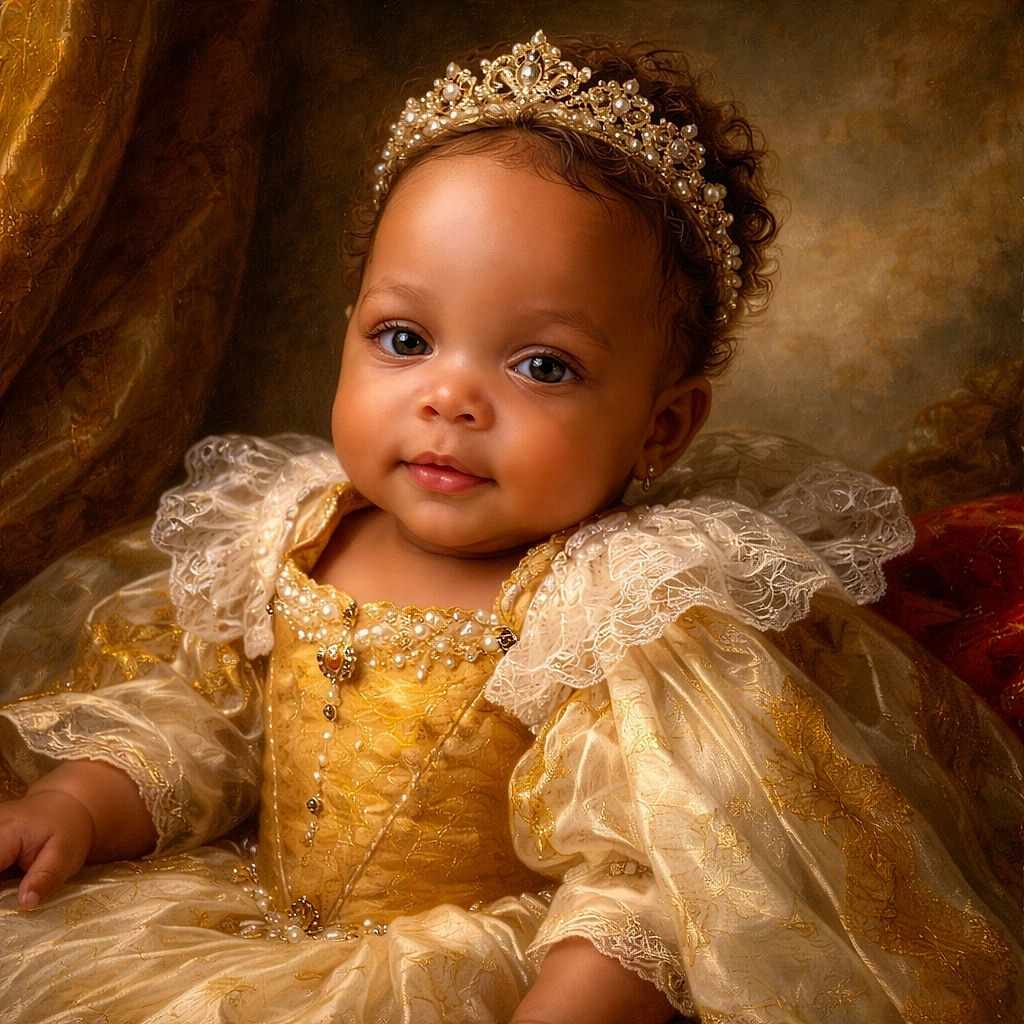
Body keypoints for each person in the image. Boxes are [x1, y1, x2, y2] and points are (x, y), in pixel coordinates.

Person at [0, 30, 1021, 1024]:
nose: (449, 397)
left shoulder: (619, 613)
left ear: (661, 428)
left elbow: (653, 880)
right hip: (234, 936)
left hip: (481, 980)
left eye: (542, 366)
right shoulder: (289, 533)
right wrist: (80, 805)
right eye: (405, 338)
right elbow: (208, 721)